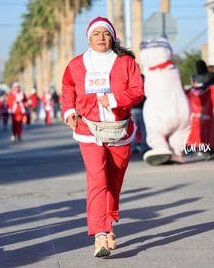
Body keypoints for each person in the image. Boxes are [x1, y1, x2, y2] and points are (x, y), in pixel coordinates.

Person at [60, 16, 144, 258]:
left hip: (120, 131)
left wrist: (116, 100)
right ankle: (100, 234)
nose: (101, 38)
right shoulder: (77, 64)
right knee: (98, 181)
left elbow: (138, 91)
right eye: (96, 33)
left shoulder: (126, 62)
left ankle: (108, 222)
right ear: (89, 37)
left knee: (113, 183)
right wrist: (70, 111)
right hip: (89, 130)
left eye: (105, 33)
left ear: (112, 37)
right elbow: (67, 88)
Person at [131, 74, 149, 154]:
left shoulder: (131, 79)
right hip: (142, 108)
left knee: (133, 129)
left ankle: (133, 147)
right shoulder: (143, 79)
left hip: (133, 108)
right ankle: (144, 146)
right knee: (143, 129)